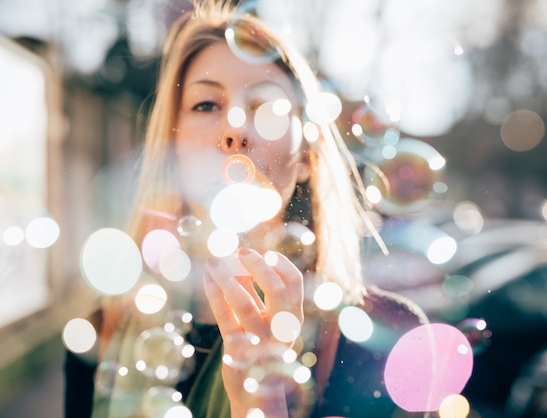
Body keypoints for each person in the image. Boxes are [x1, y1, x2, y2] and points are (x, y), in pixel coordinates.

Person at [65, 1, 429, 417]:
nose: (235, 129)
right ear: (173, 148)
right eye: (206, 105)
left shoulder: (391, 341)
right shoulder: (102, 328)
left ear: (307, 155)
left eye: (266, 108)